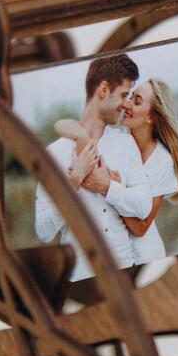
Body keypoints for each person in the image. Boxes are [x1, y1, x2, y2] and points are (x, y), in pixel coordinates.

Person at [34, 54, 151, 281]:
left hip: (126, 270)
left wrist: (107, 186)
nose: (126, 104)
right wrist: (73, 181)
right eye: (124, 95)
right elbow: (44, 233)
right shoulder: (54, 154)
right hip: (79, 279)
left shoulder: (125, 143)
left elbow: (144, 206)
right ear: (104, 89)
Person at [56, 77, 178, 265]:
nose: (127, 104)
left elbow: (140, 228)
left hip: (144, 258)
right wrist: (81, 135)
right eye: (130, 97)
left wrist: (110, 187)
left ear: (151, 117)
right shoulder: (118, 143)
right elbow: (61, 125)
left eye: (137, 101)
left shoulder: (162, 161)